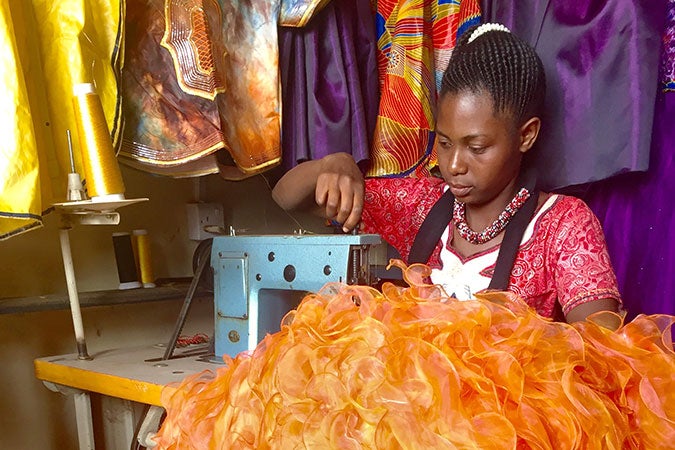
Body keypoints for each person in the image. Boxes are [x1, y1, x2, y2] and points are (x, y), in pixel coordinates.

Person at [272, 23, 622, 325]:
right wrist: (333, 164)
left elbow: (602, 350)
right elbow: (286, 198)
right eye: (444, 142)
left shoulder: (563, 225)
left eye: (477, 147)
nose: (453, 165)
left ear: (525, 135)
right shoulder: (421, 205)